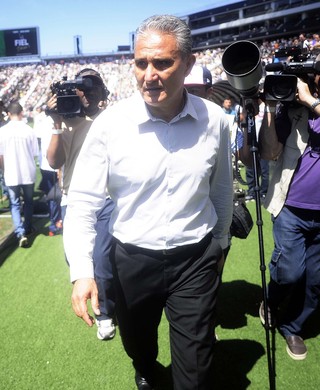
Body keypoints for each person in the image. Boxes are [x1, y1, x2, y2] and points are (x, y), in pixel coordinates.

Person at [64, 14, 233, 390]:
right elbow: (82, 203)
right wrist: (81, 271)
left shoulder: (217, 120)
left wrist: (219, 244)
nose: (149, 74)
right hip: (131, 259)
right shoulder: (110, 125)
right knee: (138, 344)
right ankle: (144, 365)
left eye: (162, 62)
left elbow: (221, 189)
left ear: (188, 63)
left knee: (195, 371)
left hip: (195, 259)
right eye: (141, 63)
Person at [46, 68, 116, 340]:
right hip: (73, 195)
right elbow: (54, 162)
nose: (85, 92)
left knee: (100, 258)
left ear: (102, 91)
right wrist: (55, 122)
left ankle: (105, 312)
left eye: (92, 85)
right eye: (81, 86)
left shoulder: (111, 119)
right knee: (77, 258)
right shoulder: (66, 118)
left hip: (107, 196)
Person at [259, 70, 320, 361]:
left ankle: (293, 326)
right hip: (291, 208)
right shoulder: (292, 111)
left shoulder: (308, 102)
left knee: (316, 280)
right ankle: (272, 300)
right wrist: (271, 108)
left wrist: (310, 101)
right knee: (290, 271)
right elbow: (270, 152)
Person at [0, 101, 39, 247]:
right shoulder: (29, 130)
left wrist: (4, 170)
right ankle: (27, 227)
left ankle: (20, 232)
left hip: (11, 172)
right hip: (27, 171)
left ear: (9, 114)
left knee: (15, 204)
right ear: (22, 113)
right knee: (28, 202)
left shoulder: (3, 131)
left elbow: (0, 156)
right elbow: (35, 153)